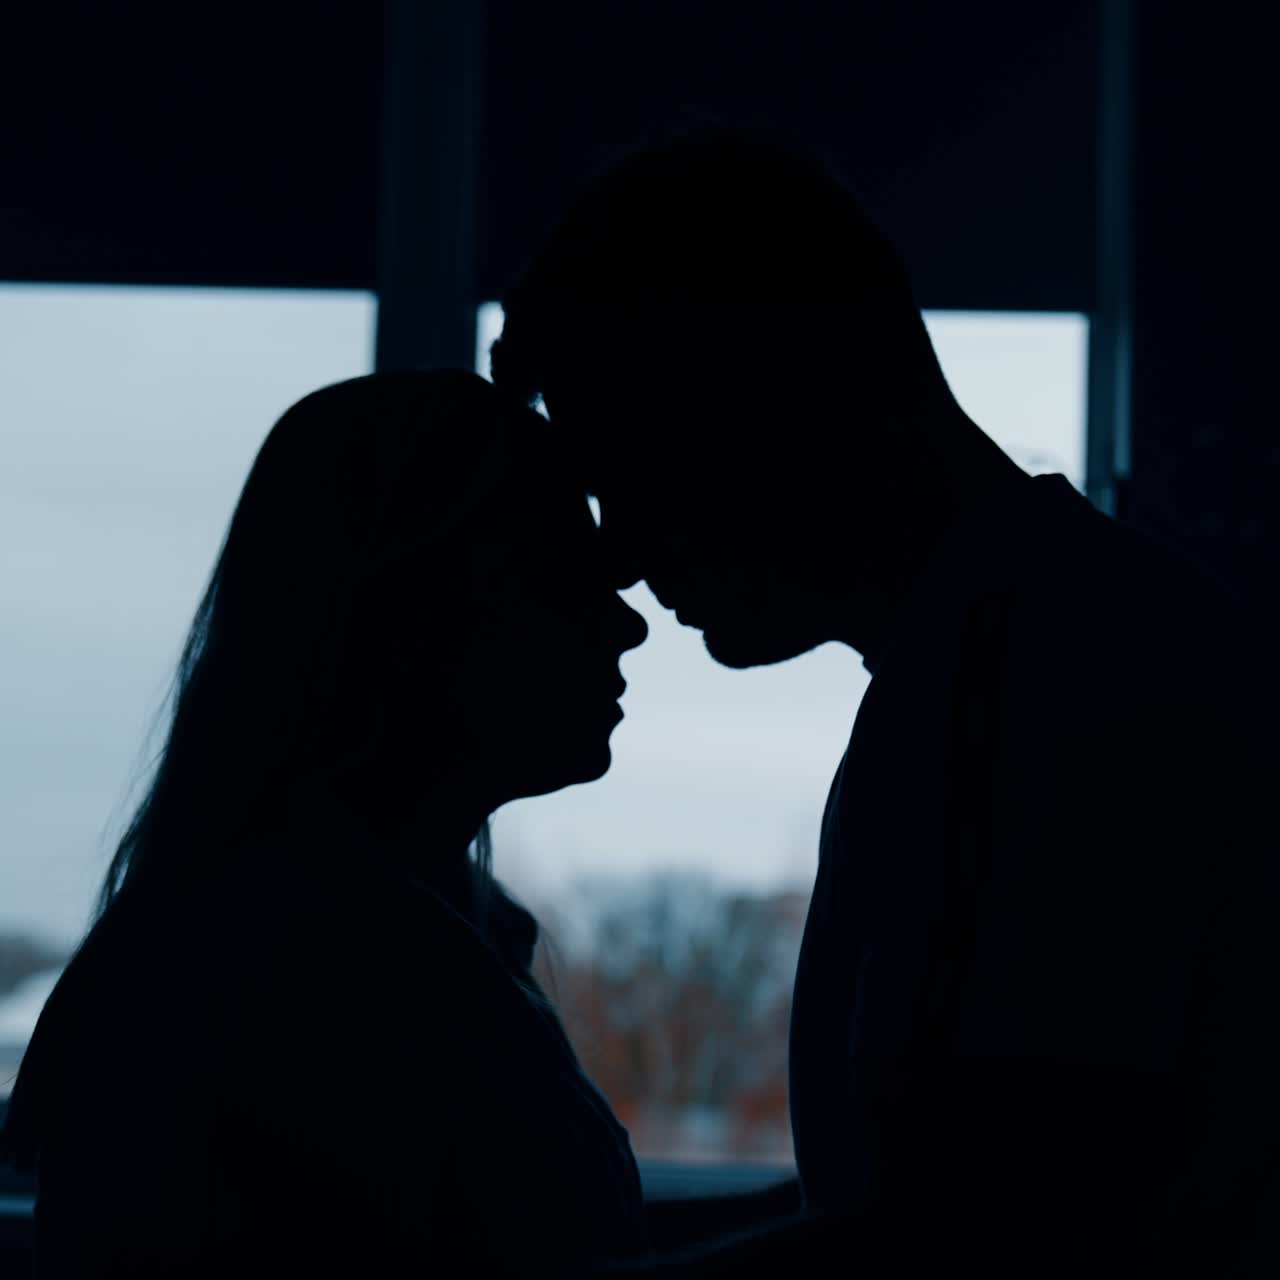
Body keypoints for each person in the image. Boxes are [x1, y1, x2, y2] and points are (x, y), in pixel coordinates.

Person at [491, 131, 1280, 1276]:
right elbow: (942, 1185)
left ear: (772, 399)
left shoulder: (1066, 671)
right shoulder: (1017, 651)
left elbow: (1000, 1230)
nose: (615, 552)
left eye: (630, 467)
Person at [0, 370, 655, 1276]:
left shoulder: (313, 940)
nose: (627, 625)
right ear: (419, 613)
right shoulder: (315, 981)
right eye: (560, 576)